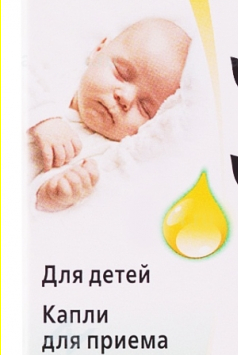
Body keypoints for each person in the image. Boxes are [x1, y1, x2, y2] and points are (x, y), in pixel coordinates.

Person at [29, 18, 191, 211]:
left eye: (145, 108)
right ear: (99, 50)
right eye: (122, 74)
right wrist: (43, 117)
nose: (125, 98)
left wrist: (52, 195)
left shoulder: (104, 157)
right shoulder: (55, 74)